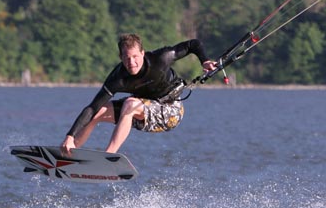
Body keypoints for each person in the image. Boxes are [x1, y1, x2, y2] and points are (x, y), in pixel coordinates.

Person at [61, 33, 217, 154]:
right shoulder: (118, 78)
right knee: (98, 111)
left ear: (142, 53)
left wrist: (205, 61)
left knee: (130, 104)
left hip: (171, 111)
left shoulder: (161, 58)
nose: (131, 62)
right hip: (142, 109)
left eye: (135, 56)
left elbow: (193, 44)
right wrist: (70, 135)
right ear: (120, 57)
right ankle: (70, 153)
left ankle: (108, 156)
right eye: (127, 58)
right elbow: (91, 108)